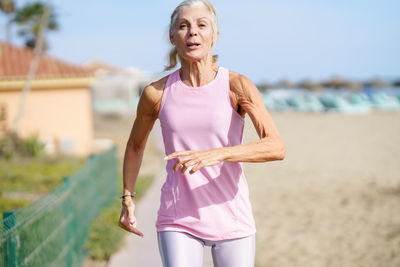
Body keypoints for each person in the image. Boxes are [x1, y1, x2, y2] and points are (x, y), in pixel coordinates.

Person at [118, 0, 286, 266]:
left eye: (201, 25)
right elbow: (135, 145)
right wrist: (127, 196)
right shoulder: (156, 93)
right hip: (178, 218)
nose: (192, 32)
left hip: (232, 217)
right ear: (173, 37)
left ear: (215, 35)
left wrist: (217, 154)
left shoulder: (237, 86)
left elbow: (276, 146)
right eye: (183, 26)